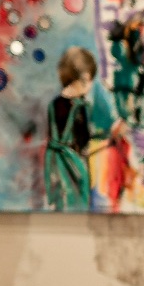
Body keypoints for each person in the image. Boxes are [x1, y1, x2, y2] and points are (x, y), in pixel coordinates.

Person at [44, 47, 101, 211]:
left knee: (59, 199)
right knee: (77, 199)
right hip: (73, 162)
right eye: (89, 81)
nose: (90, 86)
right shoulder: (80, 106)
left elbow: (55, 133)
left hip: (53, 161)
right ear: (82, 78)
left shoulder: (54, 104)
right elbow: (83, 140)